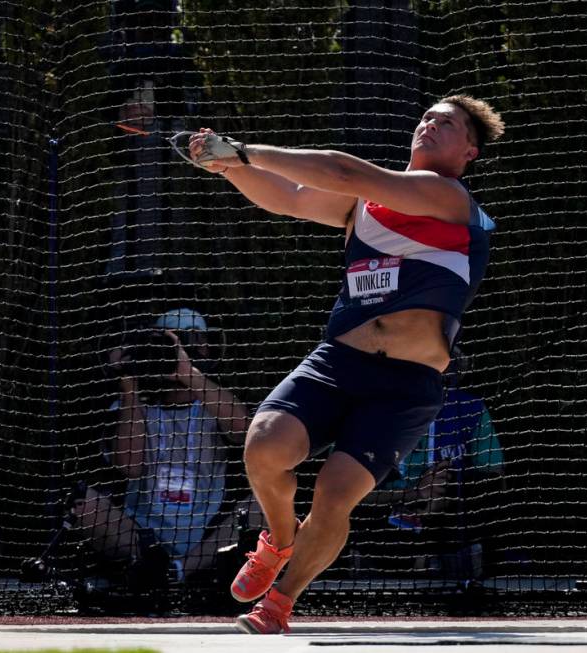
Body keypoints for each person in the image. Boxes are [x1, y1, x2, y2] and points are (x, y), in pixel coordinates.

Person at [187, 95, 504, 633]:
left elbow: (338, 167)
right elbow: (288, 198)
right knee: (264, 445)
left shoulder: (448, 197)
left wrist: (245, 151)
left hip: (403, 386)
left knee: (335, 494)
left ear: (469, 150)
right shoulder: (364, 207)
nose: (429, 124)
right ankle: (278, 541)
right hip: (337, 362)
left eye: (446, 123)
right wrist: (229, 168)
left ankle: (279, 605)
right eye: (426, 117)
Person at [70, 307, 257, 583]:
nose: (191, 348)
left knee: (264, 505)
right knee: (84, 503)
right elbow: (130, 467)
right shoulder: (131, 408)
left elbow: (244, 430)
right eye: (175, 342)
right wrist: (128, 383)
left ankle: (179, 571)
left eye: (197, 341)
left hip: (208, 537)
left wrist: (189, 373)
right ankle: (153, 565)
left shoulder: (215, 405)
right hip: (138, 535)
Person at [371, 350, 505, 579]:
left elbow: (494, 476)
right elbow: (344, 493)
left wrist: (448, 493)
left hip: (452, 527)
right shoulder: (370, 411)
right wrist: (416, 494)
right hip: (381, 530)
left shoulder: (470, 408)